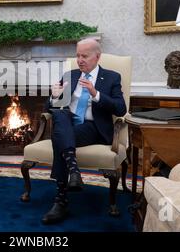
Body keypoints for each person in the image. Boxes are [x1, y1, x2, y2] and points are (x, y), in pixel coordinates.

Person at [41, 38, 127, 224]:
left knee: (59, 136)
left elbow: (121, 109)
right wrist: (54, 97)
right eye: (78, 55)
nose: (80, 60)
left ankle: (61, 200)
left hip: (92, 127)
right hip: (68, 124)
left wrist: (96, 94)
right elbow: (48, 108)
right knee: (60, 114)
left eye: (84, 56)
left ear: (97, 56)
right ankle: (74, 171)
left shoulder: (112, 77)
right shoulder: (69, 75)